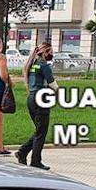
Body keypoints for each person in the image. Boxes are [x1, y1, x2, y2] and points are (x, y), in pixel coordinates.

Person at [17, 41, 56, 170]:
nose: (52, 54)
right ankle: (35, 161)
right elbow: (52, 83)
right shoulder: (43, 64)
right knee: (41, 132)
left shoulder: (32, 63)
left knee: (39, 130)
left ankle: (22, 152)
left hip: (31, 99)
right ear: (45, 52)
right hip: (41, 100)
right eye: (50, 52)